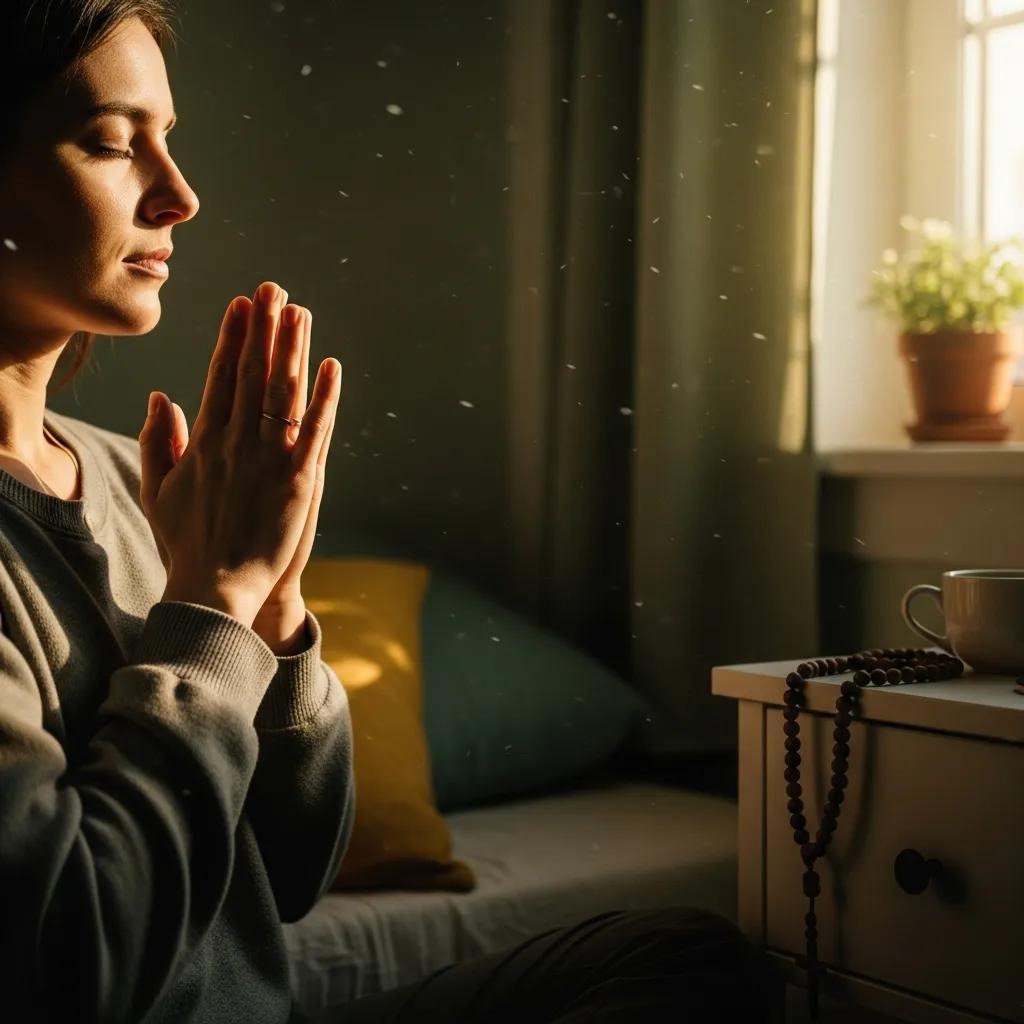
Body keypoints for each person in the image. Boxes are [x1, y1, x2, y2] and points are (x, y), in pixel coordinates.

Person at [0, 3, 785, 1022]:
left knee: (685, 960)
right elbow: (73, 968)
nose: (180, 196)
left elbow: (281, 876)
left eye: (170, 139)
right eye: (110, 142)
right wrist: (212, 609)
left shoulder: (131, 477)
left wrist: (275, 621)